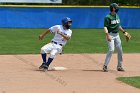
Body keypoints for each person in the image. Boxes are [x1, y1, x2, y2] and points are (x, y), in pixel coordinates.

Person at [103, 3, 130, 72]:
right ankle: (105, 66)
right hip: (110, 35)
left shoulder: (117, 16)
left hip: (117, 35)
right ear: (113, 9)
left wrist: (124, 32)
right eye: (116, 7)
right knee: (111, 49)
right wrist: (107, 35)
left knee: (120, 50)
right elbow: (105, 27)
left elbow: (118, 26)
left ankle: (119, 66)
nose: (117, 8)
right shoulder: (107, 17)